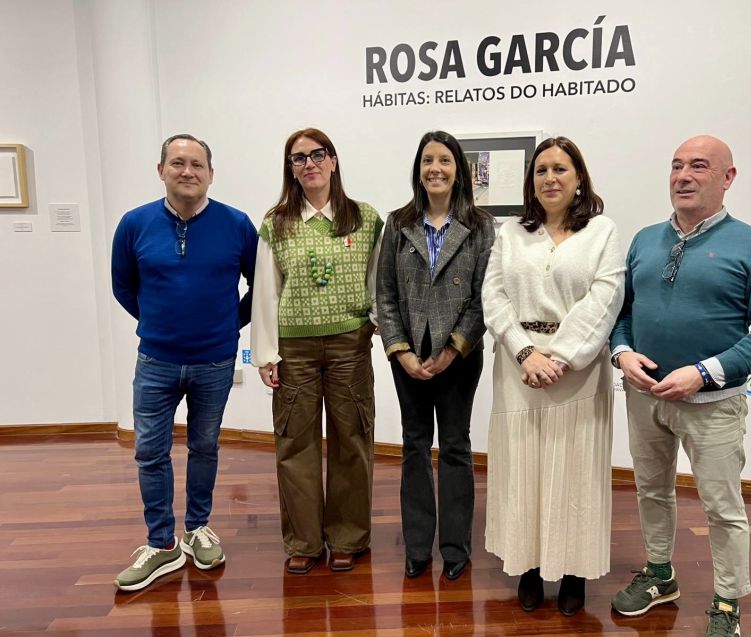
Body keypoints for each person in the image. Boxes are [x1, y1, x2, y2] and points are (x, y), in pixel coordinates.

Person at [609, 135, 751, 636]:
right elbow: (622, 313)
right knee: (651, 490)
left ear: (727, 177)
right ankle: (660, 575)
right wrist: (622, 353)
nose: (683, 176)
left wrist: (704, 372)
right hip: (644, 397)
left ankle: (727, 603)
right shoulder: (645, 239)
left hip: (713, 403)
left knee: (722, 508)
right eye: (676, 166)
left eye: (698, 166)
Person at [482, 136, 625, 616]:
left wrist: (560, 357)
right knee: (522, 471)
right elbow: (493, 297)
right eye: (541, 170)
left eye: (560, 169)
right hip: (518, 368)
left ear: (578, 177)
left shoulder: (602, 232)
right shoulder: (511, 233)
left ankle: (573, 572)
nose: (550, 178)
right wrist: (526, 353)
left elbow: (606, 297)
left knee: (575, 474)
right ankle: (527, 566)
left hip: (578, 372)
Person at [111, 133, 257, 591]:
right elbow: (123, 286)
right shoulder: (134, 224)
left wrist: (228, 324)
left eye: (197, 164)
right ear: (161, 171)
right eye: (177, 163)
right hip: (155, 360)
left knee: (205, 446)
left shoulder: (237, 224)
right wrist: (156, 321)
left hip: (215, 360)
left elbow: (260, 286)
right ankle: (161, 543)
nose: (187, 171)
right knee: (149, 451)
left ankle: (197, 529)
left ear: (211, 174)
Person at [251, 128, 383, 575]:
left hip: (350, 345)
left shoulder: (365, 218)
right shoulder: (277, 222)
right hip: (295, 350)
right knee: (295, 444)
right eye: (298, 158)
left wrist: (375, 329)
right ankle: (304, 541)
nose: (309, 164)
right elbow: (266, 291)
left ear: (333, 161)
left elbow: (377, 281)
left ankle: (347, 537)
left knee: (352, 441)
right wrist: (266, 354)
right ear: (291, 169)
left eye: (317, 154)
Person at [377, 130, 495, 581]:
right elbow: (385, 294)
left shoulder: (480, 226)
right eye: (428, 160)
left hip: (459, 357)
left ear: (458, 170)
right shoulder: (398, 223)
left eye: (444, 160)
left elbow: (484, 298)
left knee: (456, 446)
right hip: (408, 357)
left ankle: (455, 546)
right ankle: (417, 547)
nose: (435, 169)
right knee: (413, 446)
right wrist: (400, 351)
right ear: (418, 169)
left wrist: (452, 348)